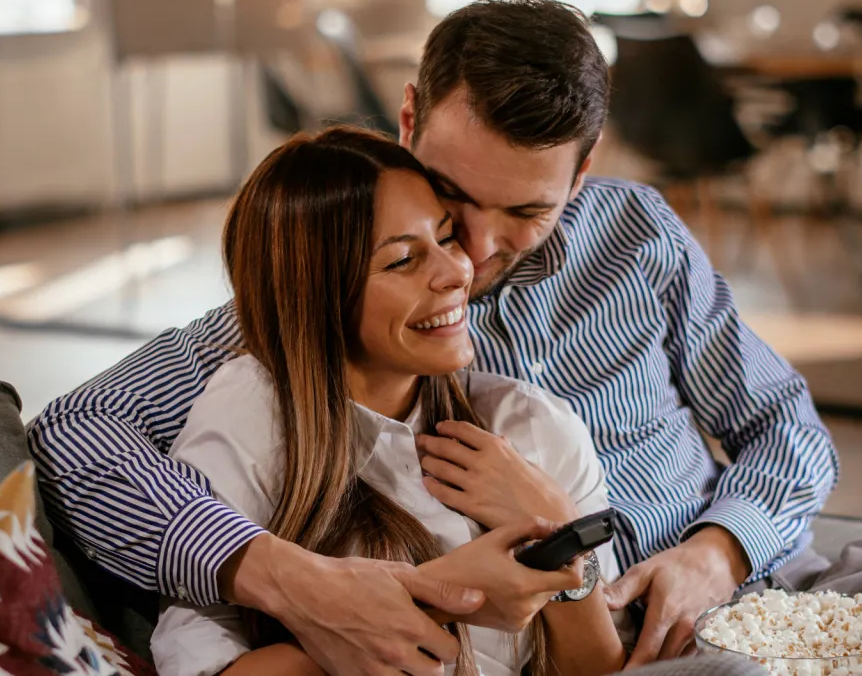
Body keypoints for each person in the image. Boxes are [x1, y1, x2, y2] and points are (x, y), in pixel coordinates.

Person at [32, 0, 862, 675]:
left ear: (590, 164)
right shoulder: (332, 289)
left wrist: (714, 553)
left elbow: (782, 424)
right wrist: (288, 578)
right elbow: (78, 431)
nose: (467, 251)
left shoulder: (640, 237)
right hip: (628, 657)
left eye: (524, 212)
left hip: (782, 583)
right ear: (412, 118)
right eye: (448, 199)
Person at [150, 126, 632, 676]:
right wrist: (440, 597)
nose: (457, 273)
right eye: (403, 260)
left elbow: (600, 669)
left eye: (447, 238)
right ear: (317, 293)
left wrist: (562, 535)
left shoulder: (532, 423)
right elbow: (204, 664)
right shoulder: (251, 417)